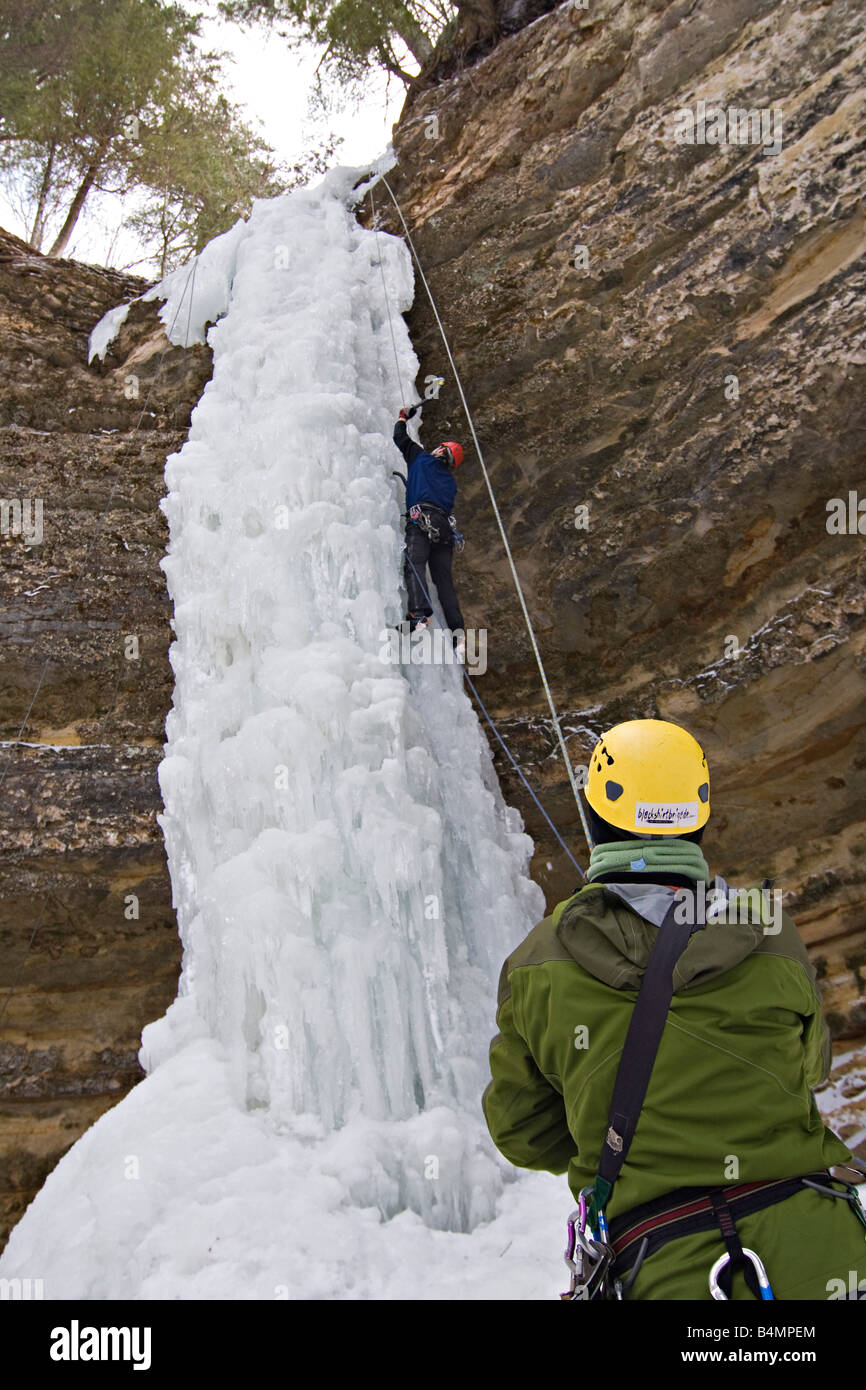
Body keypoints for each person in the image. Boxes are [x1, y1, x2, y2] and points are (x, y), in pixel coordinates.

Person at [482, 718, 866, 1300]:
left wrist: (613, 1130)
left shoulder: (538, 963)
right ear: (700, 820)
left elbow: (524, 1132)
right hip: (821, 1249)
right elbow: (809, 1069)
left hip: (663, 1265)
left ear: (594, 819)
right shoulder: (769, 932)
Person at [392, 405, 466, 651]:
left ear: (439, 451)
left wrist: (403, 416)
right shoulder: (450, 483)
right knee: (444, 582)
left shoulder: (421, 458)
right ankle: (458, 634)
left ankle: (418, 617)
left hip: (421, 522)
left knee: (414, 564)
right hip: (444, 532)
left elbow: (399, 437)